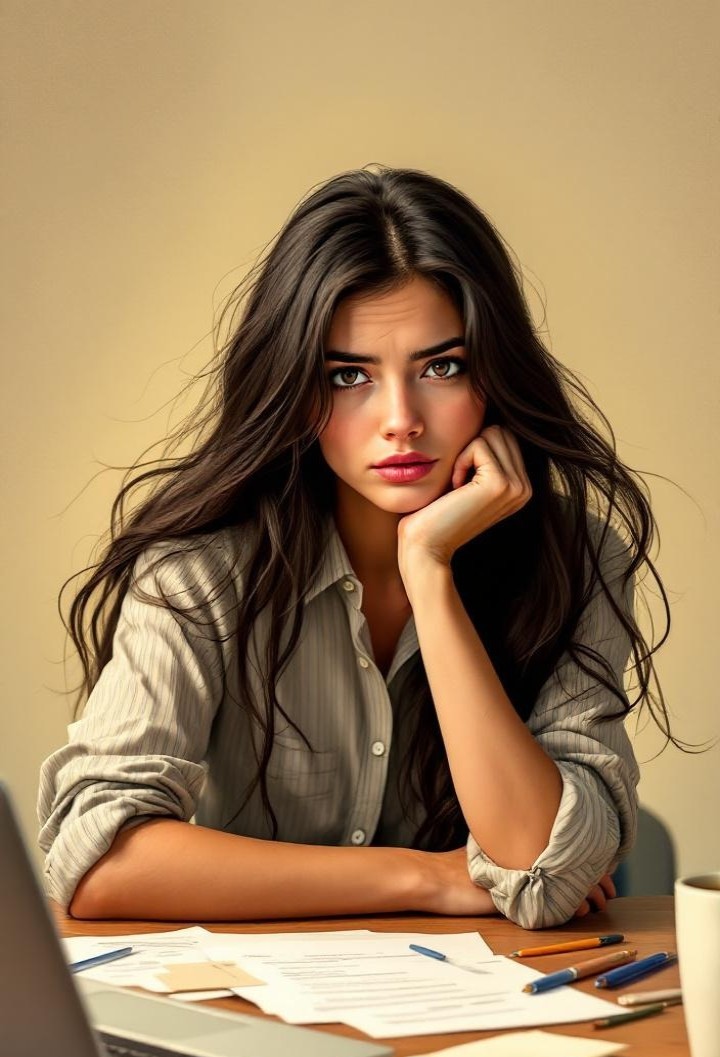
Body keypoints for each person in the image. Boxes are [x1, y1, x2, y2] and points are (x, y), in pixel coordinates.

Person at [38, 165, 673, 929]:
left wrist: (430, 574)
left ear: (494, 373)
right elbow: (100, 860)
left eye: (442, 366)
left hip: (485, 1019)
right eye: (349, 376)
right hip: (256, 1017)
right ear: (296, 387)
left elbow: (542, 869)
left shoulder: (575, 559)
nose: (400, 418)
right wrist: (424, 878)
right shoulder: (199, 572)